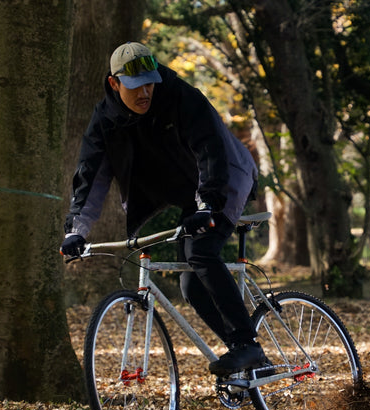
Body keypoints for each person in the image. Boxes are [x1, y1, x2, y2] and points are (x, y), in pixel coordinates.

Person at [60, 41, 265, 377]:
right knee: (191, 285)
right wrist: (76, 231)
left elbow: (210, 151)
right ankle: (247, 354)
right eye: (136, 87)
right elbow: (90, 176)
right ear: (114, 84)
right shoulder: (105, 121)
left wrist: (208, 204)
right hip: (188, 192)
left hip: (225, 178)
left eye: (150, 83)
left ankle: (247, 344)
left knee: (201, 252)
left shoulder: (181, 96)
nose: (146, 93)